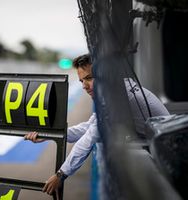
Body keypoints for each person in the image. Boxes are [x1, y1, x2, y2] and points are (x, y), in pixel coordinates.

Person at [24, 54, 170, 196]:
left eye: (89, 78)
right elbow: (89, 127)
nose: (84, 86)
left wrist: (60, 175)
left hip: (168, 154)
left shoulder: (118, 96)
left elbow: (89, 138)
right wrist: (50, 135)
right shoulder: (115, 89)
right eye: (81, 81)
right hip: (160, 148)